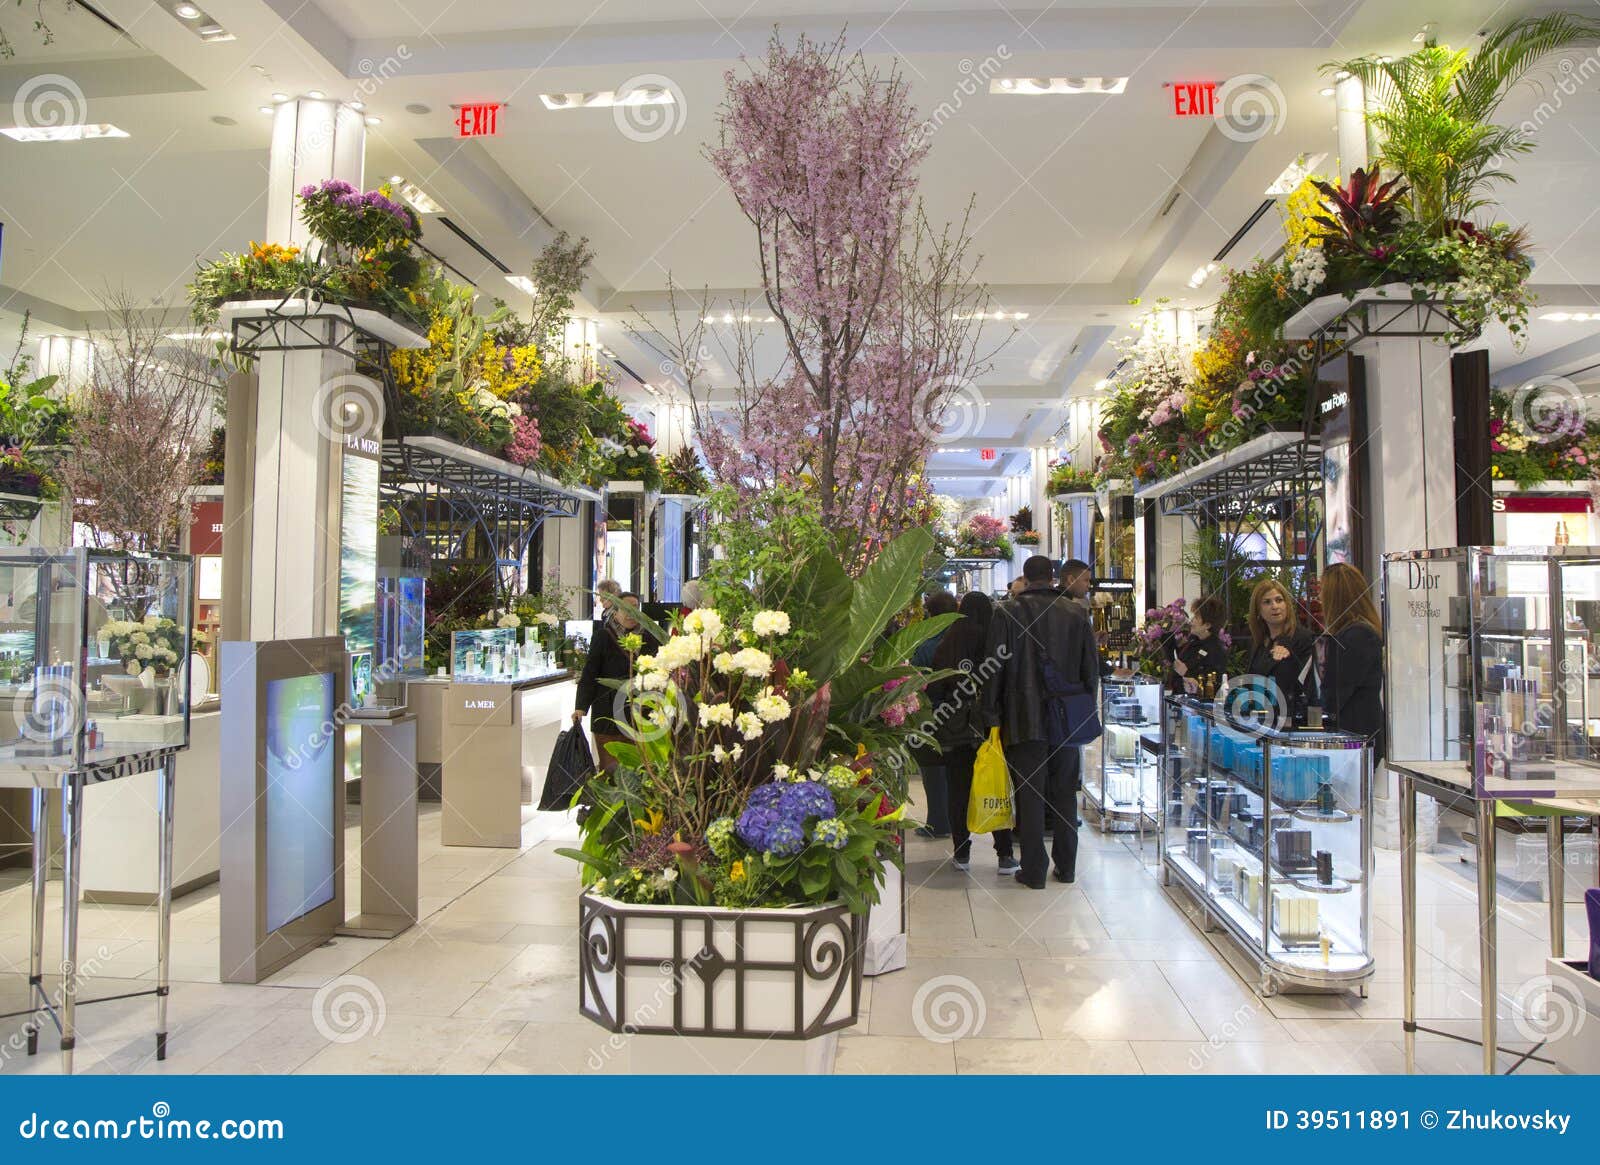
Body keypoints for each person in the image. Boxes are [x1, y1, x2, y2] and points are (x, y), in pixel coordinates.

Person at [982, 554, 1099, 888]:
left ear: (1025, 576)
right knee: (1064, 793)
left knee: (1028, 794)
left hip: (1022, 717)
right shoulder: (1077, 613)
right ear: (1053, 577)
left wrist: (989, 712)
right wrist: (1085, 707)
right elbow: (1090, 670)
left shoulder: (1007, 612)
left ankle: (1033, 870)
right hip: (1065, 719)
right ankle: (1067, 866)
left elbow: (994, 668)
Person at [930, 591, 1018, 874]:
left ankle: (961, 853)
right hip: (990, 728)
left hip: (955, 729)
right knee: (995, 785)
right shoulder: (994, 641)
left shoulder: (948, 643)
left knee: (958, 790)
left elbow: (935, 688)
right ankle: (1004, 853)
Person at [1319, 563, 1385, 759]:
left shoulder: (1357, 636)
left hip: (1355, 736)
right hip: (1355, 734)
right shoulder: (1357, 632)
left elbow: (1337, 692)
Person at [574, 591, 641, 772]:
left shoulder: (650, 638)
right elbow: (590, 673)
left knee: (640, 768)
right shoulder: (603, 637)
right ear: (615, 612)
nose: (630, 614)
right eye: (625, 609)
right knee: (610, 768)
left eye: (635, 608)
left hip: (640, 715)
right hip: (608, 712)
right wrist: (580, 706)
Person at [912, 591, 959, 839]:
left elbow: (915, 680)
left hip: (930, 714)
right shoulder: (966, 639)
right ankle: (956, 821)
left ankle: (938, 821)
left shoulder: (924, 645)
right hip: (962, 716)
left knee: (932, 767)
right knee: (957, 771)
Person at [1244, 578, 1317, 716]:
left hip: (1291, 718)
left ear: (1287, 605)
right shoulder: (1257, 642)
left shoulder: (1303, 639)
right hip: (1259, 717)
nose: (1275, 606)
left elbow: (1308, 685)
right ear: (1258, 610)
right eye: (1267, 602)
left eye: (1279, 600)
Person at [1172, 594, 1229, 694]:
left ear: (1207, 625)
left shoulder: (1216, 651)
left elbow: (1213, 686)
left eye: (1196, 618)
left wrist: (1186, 673)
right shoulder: (1192, 641)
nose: (1192, 620)